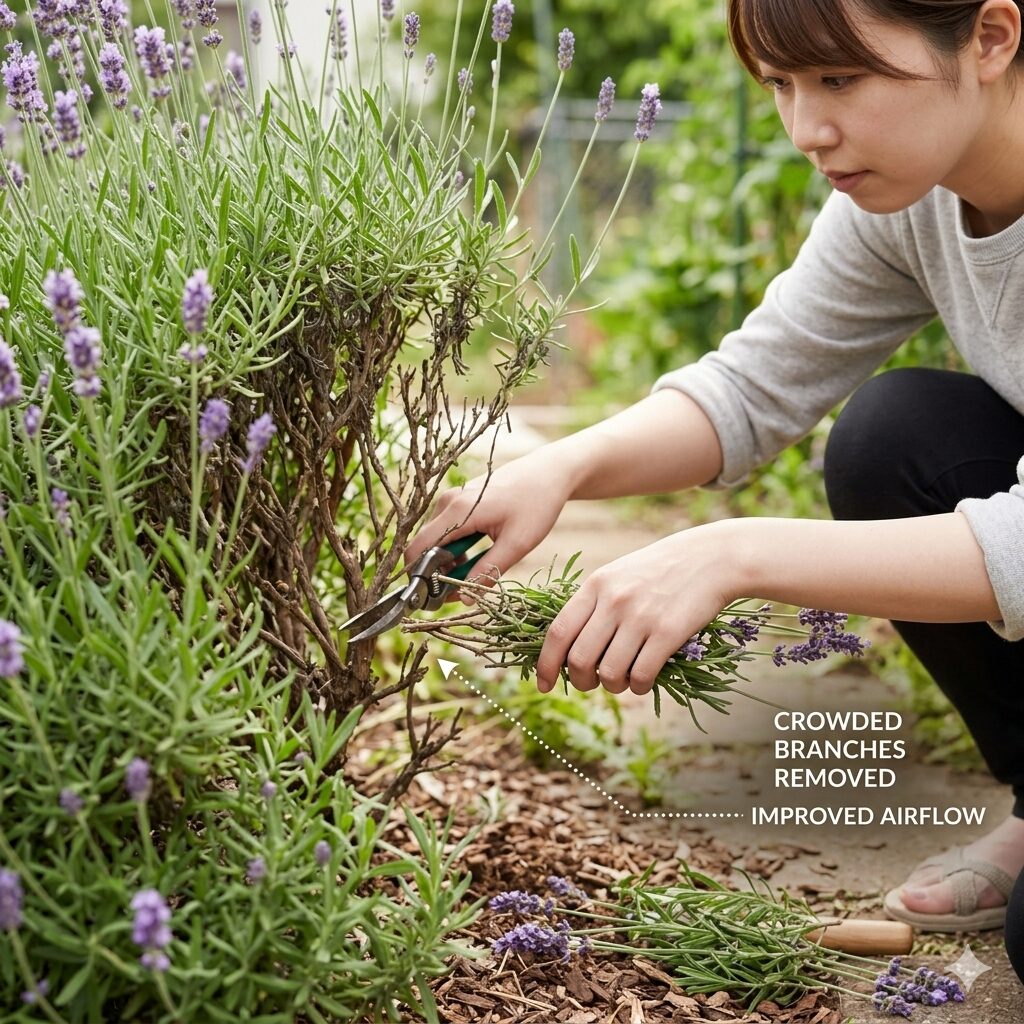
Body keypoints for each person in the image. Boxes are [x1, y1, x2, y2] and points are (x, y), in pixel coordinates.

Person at [404, 0, 1024, 977]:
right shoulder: (909, 194)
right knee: (892, 436)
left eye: (839, 79)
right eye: (779, 84)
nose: (804, 130)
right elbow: (752, 385)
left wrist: (729, 552)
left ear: (989, 38)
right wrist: (561, 469)